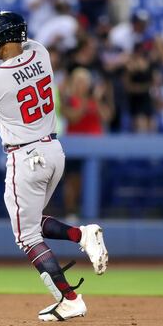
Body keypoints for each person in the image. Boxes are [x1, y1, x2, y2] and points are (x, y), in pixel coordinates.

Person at [0, 11, 108, 322]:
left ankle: (69, 299)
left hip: (25, 158)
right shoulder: (39, 52)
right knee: (33, 222)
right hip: (54, 151)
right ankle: (80, 236)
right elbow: (14, 40)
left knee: (26, 236)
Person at [61, 68, 113, 220]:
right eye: (78, 82)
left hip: (96, 148)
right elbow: (73, 118)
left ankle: (96, 210)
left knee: (95, 180)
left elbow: (107, 117)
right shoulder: (68, 99)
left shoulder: (95, 100)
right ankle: (71, 211)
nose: (81, 85)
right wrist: (85, 101)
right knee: (73, 180)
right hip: (75, 147)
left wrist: (97, 100)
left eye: (84, 82)